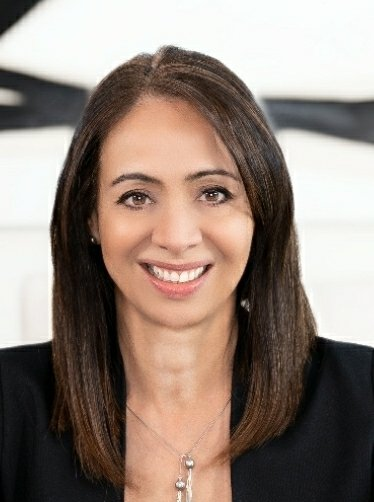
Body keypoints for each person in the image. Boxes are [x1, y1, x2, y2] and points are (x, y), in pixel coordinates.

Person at [0, 45, 372, 502]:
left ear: (261, 208)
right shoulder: (9, 409)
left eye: (213, 193)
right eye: (136, 197)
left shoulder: (365, 404)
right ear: (90, 217)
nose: (176, 237)